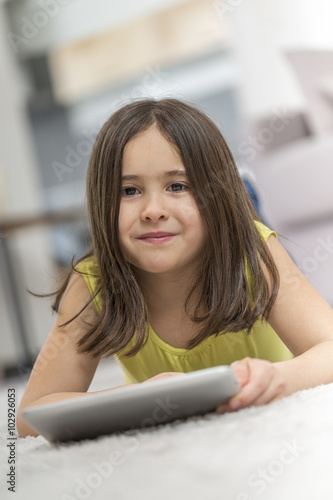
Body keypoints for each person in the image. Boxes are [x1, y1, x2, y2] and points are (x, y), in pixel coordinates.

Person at [17, 98, 333, 437]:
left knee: (241, 221)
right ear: (101, 202)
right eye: (129, 190)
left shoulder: (252, 252)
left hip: (229, 242)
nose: (153, 209)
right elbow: (29, 417)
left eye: (177, 186)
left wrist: (279, 377)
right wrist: (142, 396)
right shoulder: (94, 282)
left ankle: (243, 194)